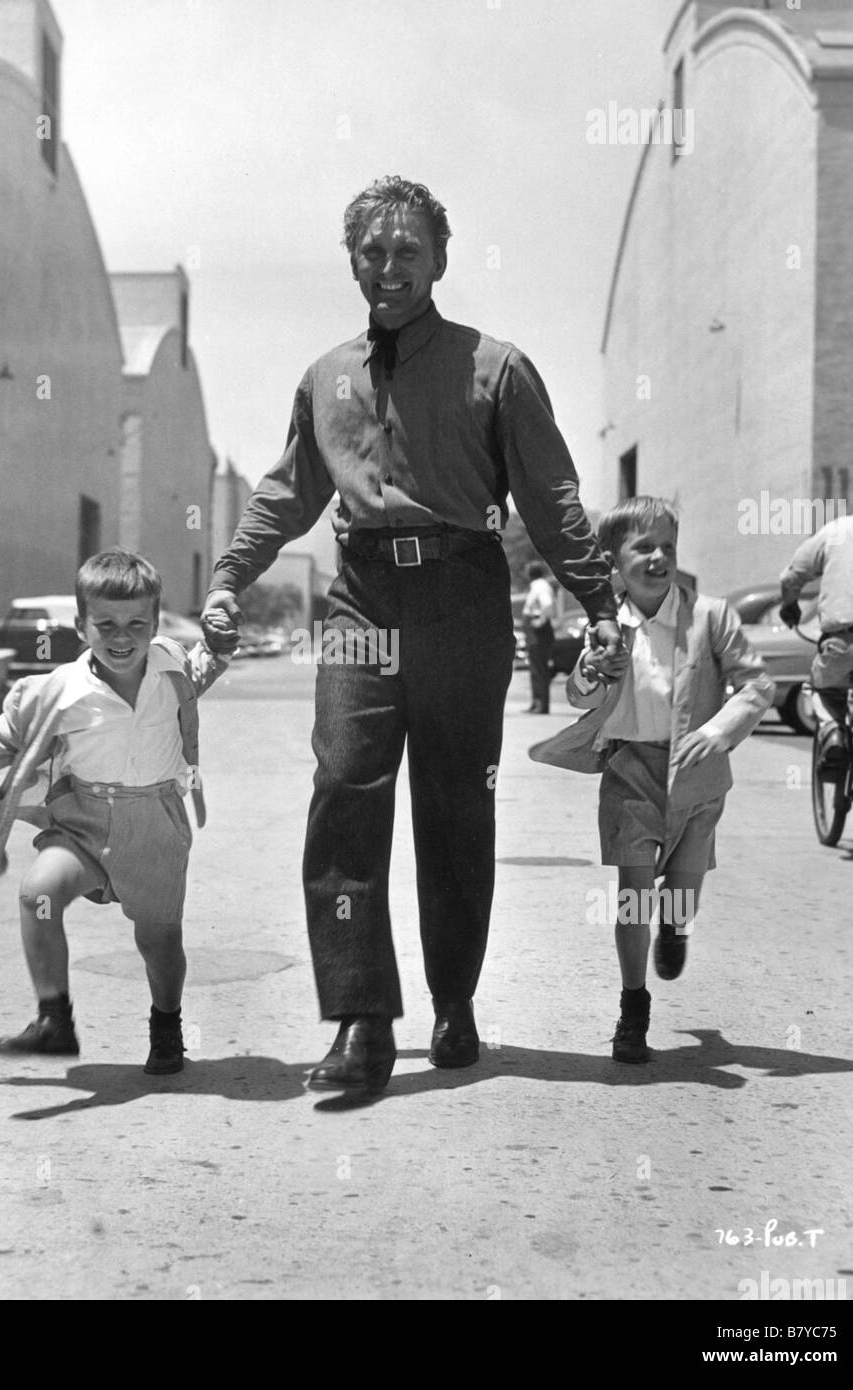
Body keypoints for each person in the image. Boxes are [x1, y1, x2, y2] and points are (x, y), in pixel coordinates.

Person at [201, 175, 622, 1093]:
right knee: (344, 786)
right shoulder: (324, 377)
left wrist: (598, 601)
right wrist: (229, 579)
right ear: (353, 259)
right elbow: (285, 491)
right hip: (359, 601)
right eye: (373, 252)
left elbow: (550, 498)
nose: (390, 268)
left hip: (463, 599)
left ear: (439, 261)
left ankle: (455, 1000)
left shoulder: (496, 367)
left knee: (455, 804)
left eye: (408, 252)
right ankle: (361, 1020)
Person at [0, 549, 233, 1074]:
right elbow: (3, 736)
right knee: (38, 895)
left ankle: (166, 1026)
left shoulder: (172, 670)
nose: (121, 637)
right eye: (105, 625)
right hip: (83, 818)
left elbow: (207, 664)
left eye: (136, 624)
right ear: (81, 625)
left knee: (159, 941)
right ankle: (55, 1020)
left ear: (156, 622)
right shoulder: (61, 690)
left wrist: (221, 638)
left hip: (155, 824)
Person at [530, 497, 774, 1063]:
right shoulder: (605, 624)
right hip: (628, 769)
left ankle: (677, 926)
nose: (660, 556)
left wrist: (720, 731)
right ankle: (633, 1010)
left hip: (697, 772)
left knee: (682, 892)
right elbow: (577, 693)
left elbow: (757, 686)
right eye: (644, 546)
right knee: (634, 896)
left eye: (668, 545)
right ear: (614, 560)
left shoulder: (710, 615)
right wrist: (589, 672)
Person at [779, 468, 853, 775]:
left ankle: (835, 736)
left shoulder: (838, 529)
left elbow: (792, 576)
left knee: (823, 688)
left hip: (845, 642)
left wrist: (790, 607)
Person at [522, 560, 557, 713]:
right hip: (533, 632)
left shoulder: (540, 586)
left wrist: (540, 621)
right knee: (534, 667)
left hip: (539, 632)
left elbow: (547, 605)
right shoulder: (537, 586)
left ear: (531, 573)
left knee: (540, 668)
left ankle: (542, 704)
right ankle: (536, 702)